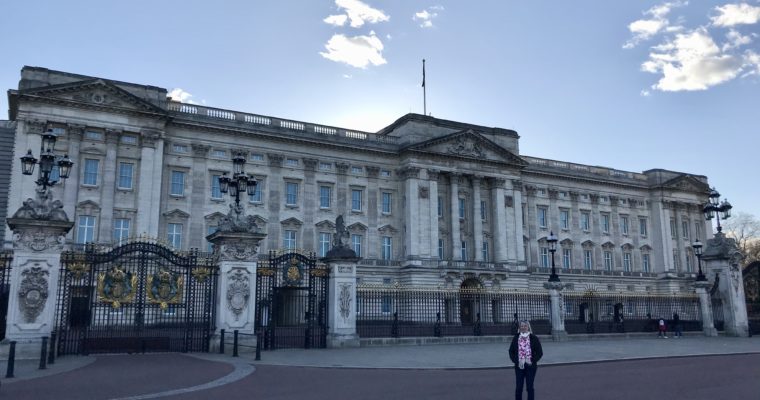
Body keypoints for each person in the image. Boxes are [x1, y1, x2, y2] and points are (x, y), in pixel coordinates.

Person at [509, 321, 543, 400]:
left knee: (529, 387)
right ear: (519, 328)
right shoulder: (516, 337)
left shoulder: (533, 338)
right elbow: (511, 351)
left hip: (530, 366)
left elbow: (540, 352)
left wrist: (532, 360)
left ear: (528, 327)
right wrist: (516, 361)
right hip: (519, 366)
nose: (523, 327)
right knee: (519, 387)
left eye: (525, 326)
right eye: (522, 326)